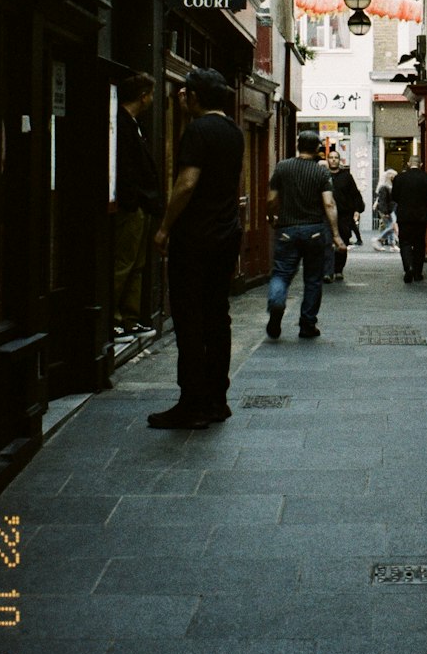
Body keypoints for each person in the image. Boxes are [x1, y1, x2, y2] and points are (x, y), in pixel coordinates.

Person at [148, 68, 245, 429]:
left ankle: (192, 403)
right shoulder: (234, 131)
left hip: (196, 237)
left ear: (195, 96)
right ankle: (217, 400)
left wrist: (164, 227)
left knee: (189, 320)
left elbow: (187, 183)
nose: (180, 97)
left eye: (184, 92)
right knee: (218, 318)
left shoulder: (199, 130)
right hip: (225, 235)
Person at [267, 130, 346, 339]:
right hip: (314, 232)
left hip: (286, 230)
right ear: (317, 149)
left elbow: (271, 199)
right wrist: (336, 235)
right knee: (312, 279)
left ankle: (276, 304)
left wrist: (271, 217)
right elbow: (329, 203)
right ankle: (307, 325)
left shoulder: (282, 168)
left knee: (281, 274)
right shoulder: (322, 173)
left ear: (298, 146)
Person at [112, 72, 164, 340]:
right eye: (151, 94)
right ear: (143, 96)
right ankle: (115, 320)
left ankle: (129, 320)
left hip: (138, 205)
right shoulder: (121, 123)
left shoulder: (133, 123)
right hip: (130, 206)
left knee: (136, 264)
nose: (153, 99)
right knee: (124, 262)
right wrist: (134, 201)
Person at [390, 154, 427, 283]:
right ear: (421, 164)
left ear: (409, 164)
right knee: (419, 244)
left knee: (404, 242)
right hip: (421, 216)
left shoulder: (399, 178)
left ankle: (408, 267)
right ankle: (417, 272)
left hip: (404, 215)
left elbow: (394, 196)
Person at [324, 150, 365, 280]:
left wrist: (358, 209)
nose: (334, 160)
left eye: (336, 157)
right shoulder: (323, 175)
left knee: (343, 242)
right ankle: (328, 271)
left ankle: (338, 269)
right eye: (331, 157)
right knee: (326, 243)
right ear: (328, 160)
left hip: (344, 215)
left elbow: (354, 193)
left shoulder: (346, 176)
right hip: (326, 215)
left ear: (339, 160)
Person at [373, 169, 397, 249]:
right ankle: (379, 240)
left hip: (389, 210)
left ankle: (392, 244)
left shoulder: (388, 186)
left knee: (390, 227)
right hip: (387, 210)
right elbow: (383, 201)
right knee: (391, 227)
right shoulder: (384, 187)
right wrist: (385, 212)